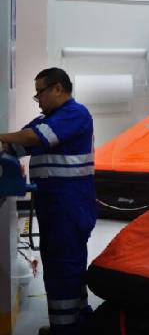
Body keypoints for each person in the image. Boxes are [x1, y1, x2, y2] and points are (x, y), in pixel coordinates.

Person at [0, 68, 96, 335]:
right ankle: (77, 320)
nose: (38, 99)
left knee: (62, 267)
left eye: (39, 93)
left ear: (57, 89)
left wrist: (2, 137)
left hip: (69, 206)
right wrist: (7, 147)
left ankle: (65, 329)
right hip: (56, 206)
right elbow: (19, 143)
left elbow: (32, 138)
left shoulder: (75, 114)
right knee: (67, 265)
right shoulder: (48, 119)